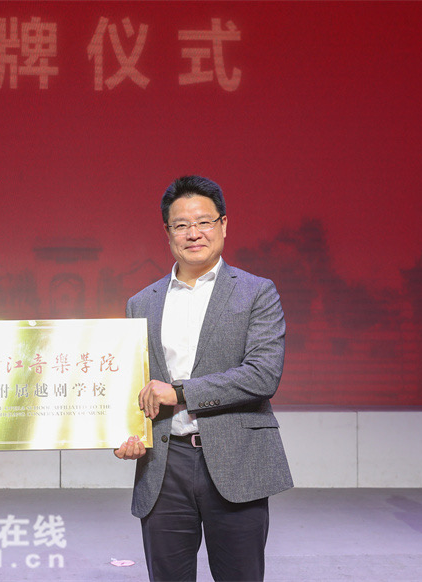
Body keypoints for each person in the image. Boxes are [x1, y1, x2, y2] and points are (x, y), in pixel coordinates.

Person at [114, 176, 293, 582]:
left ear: (223, 224)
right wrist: (124, 433)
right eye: (181, 225)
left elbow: (262, 375)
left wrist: (178, 393)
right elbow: (132, 385)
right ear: (168, 232)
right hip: (164, 465)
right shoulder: (141, 303)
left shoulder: (257, 292)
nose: (193, 233)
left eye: (204, 222)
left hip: (236, 460)